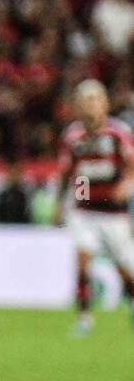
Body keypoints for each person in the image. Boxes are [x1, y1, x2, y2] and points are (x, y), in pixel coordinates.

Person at [54, 80, 134, 334]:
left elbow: (132, 166)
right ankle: (84, 318)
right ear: (76, 106)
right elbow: (67, 174)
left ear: (105, 104)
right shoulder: (72, 137)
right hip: (83, 210)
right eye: (84, 101)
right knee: (82, 260)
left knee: (124, 268)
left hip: (114, 212)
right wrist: (60, 202)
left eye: (94, 100)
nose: (89, 105)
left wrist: (126, 184)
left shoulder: (118, 133)